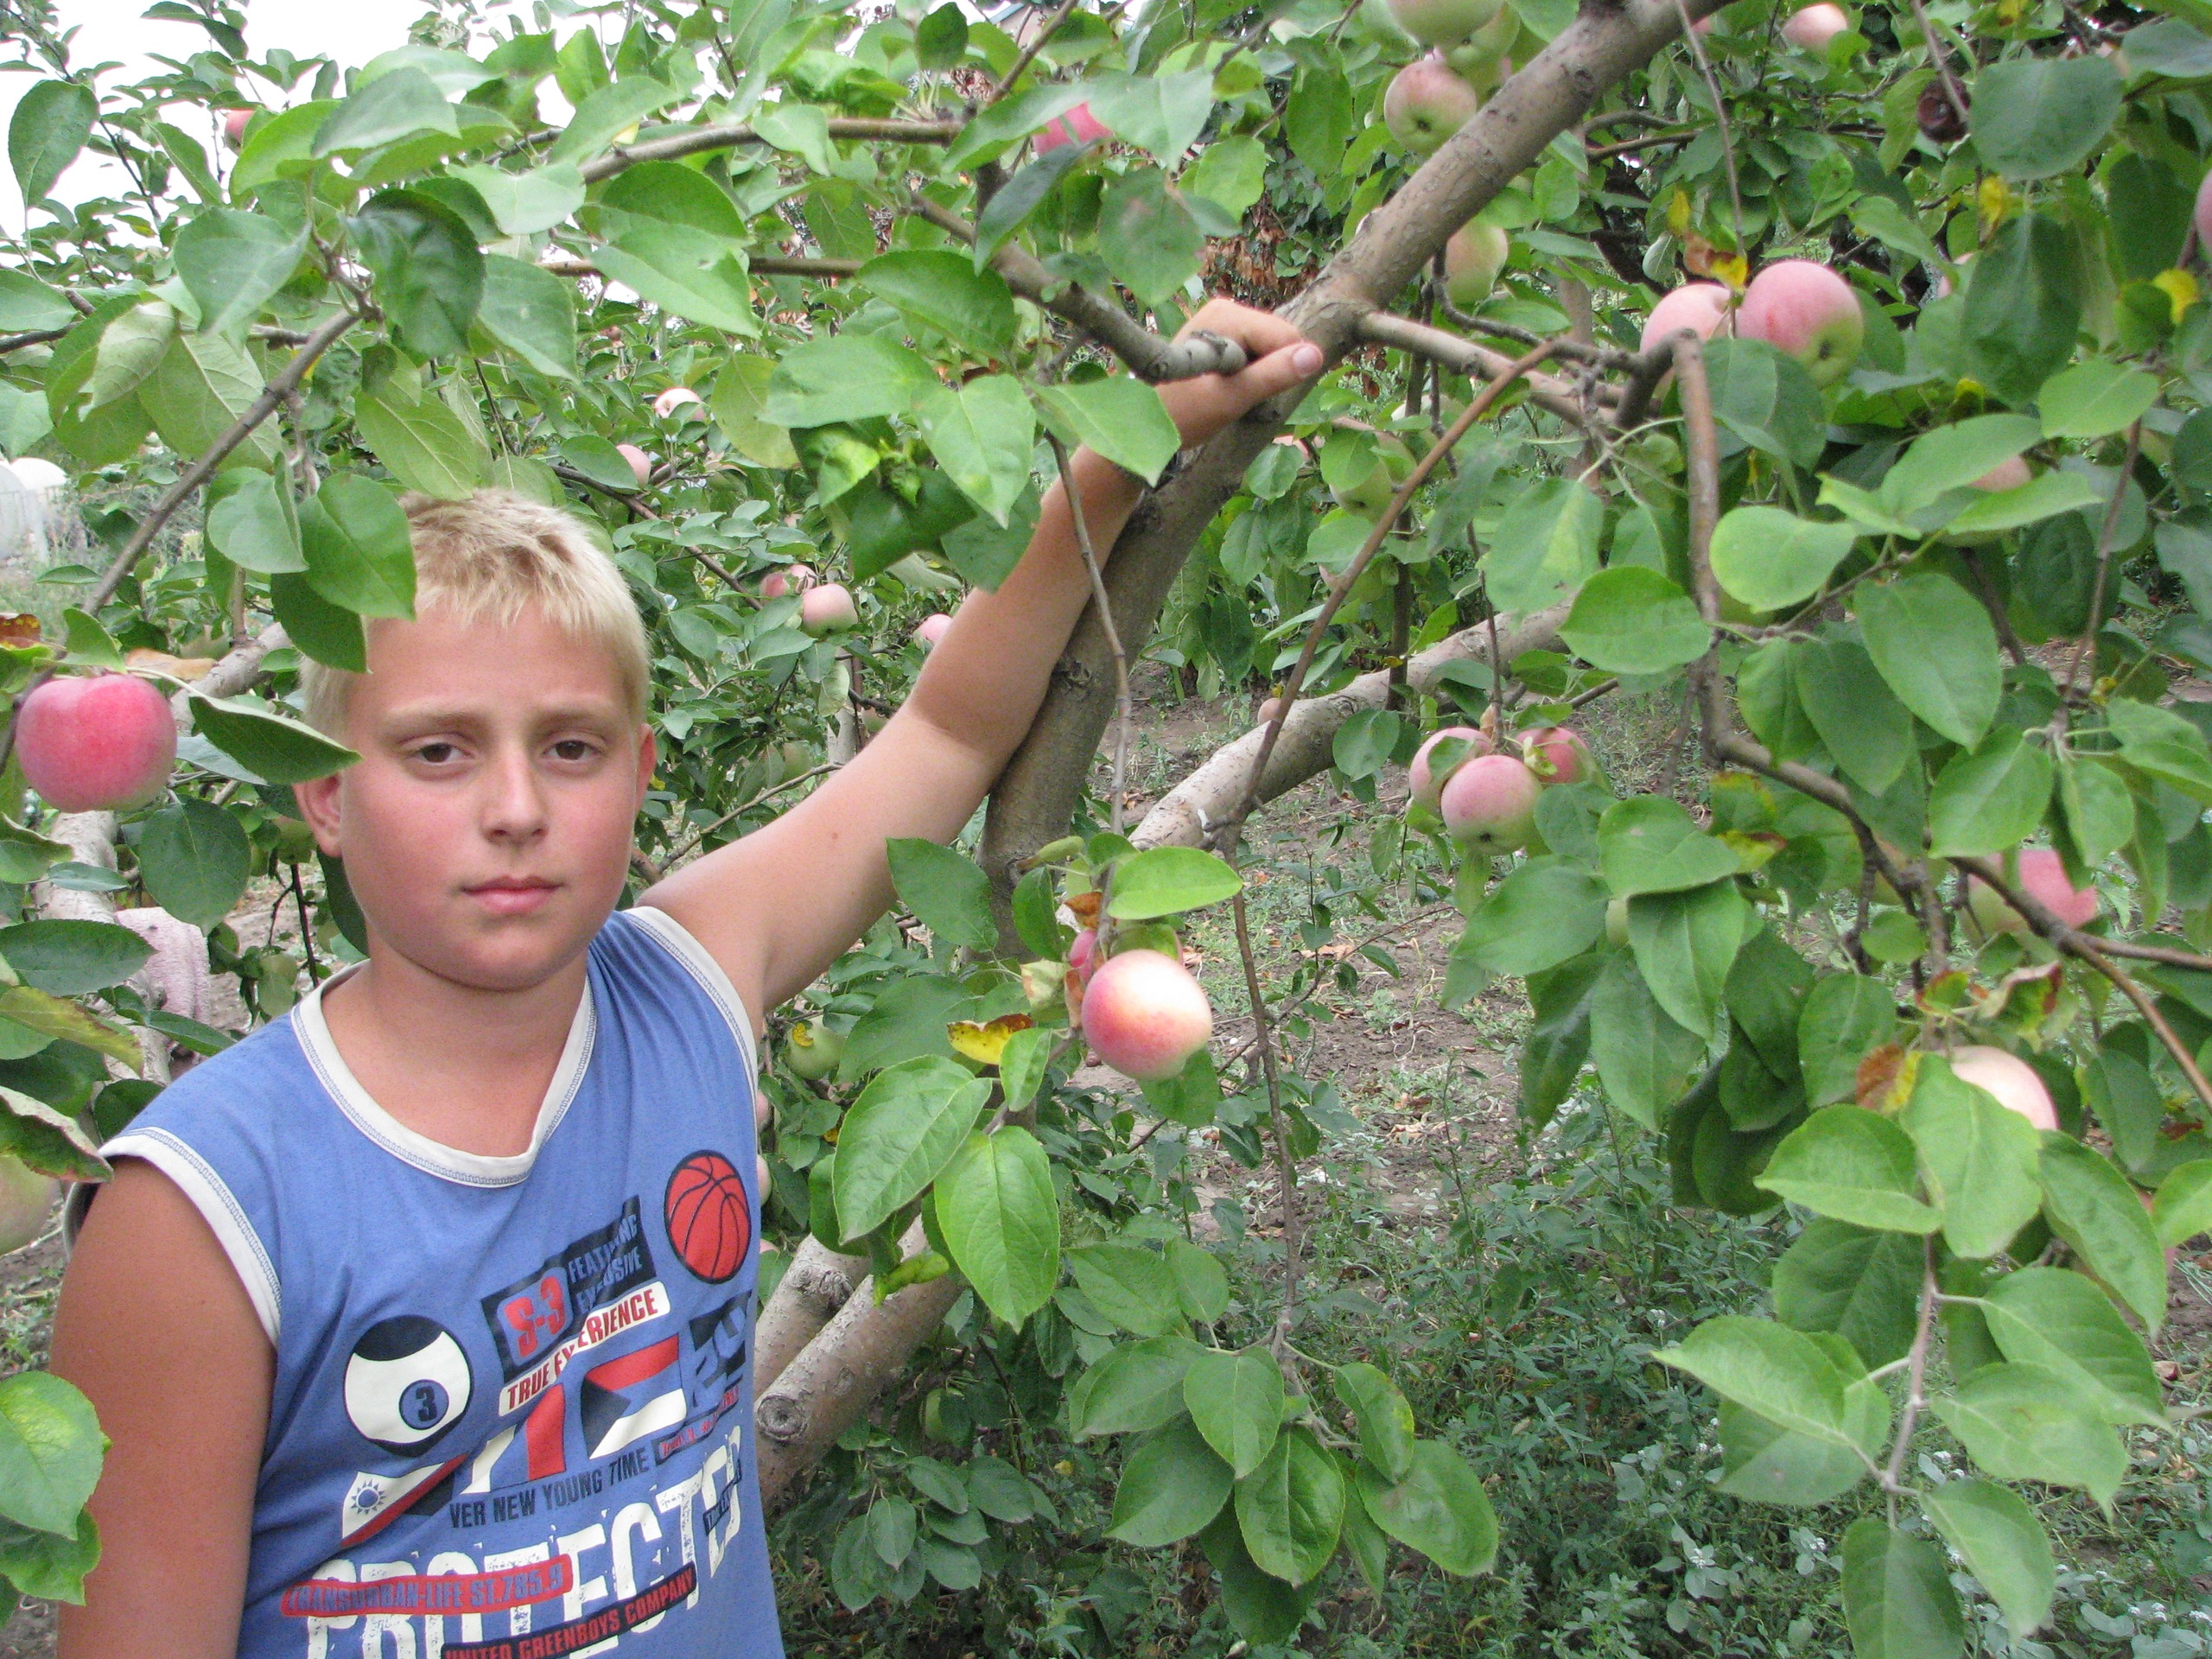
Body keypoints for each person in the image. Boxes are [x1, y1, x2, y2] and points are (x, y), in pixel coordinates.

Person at [48, 299, 1319, 1659]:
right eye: (437, 752)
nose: (516, 810)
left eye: (573, 748)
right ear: (321, 793)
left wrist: (1117, 450)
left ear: (641, 773)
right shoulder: (202, 1215)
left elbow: (950, 726)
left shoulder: (681, 989)